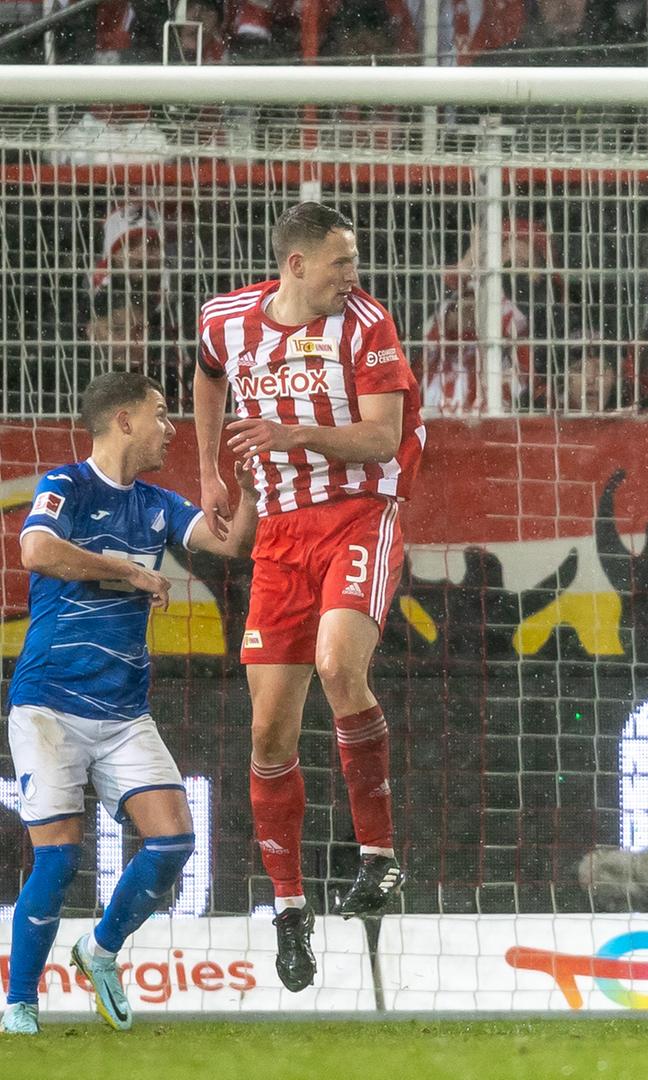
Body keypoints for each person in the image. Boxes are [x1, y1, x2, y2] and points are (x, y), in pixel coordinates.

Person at [193, 201, 426, 992]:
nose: (353, 275)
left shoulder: (366, 324)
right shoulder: (227, 318)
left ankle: (380, 856)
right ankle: (290, 910)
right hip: (281, 537)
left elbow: (384, 436)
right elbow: (207, 370)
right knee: (267, 731)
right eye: (340, 262)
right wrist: (209, 474)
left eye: (354, 260)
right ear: (295, 266)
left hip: (361, 512)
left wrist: (293, 436)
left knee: (337, 665)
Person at [4, 373, 257, 1036]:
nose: (171, 428)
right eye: (161, 414)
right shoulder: (66, 485)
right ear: (122, 421)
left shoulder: (158, 503)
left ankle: (101, 952)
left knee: (174, 840)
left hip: (122, 712)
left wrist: (253, 486)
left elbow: (230, 543)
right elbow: (35, 549)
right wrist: (130, 570)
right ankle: (20, 1003)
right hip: (49, 703)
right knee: (57, 859)